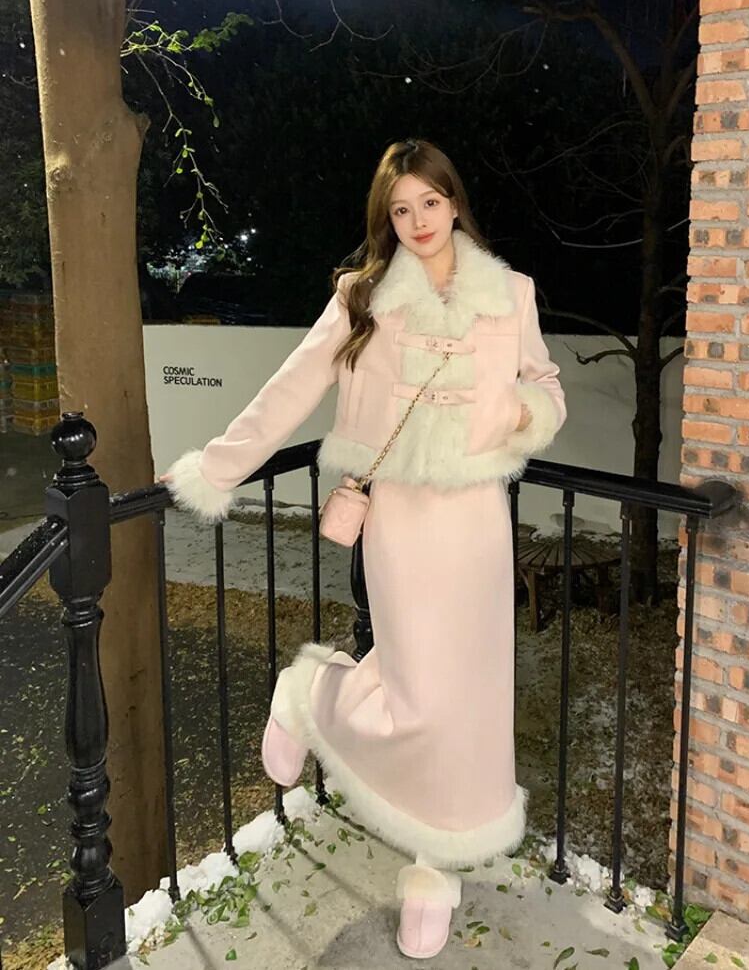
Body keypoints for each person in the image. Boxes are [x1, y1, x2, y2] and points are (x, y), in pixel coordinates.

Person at [160, 138, 567, 960]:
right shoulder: (364, 295)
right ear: (387, 217)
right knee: (415, 690)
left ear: (455, 202)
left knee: (473, 696)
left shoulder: (510, 292)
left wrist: (522, 412)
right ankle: (308, 692)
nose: (418, 220)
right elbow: (293, 385)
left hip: (479, 518)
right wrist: (220, 467)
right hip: (400, 518)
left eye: (430, 202)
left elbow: (546, 382)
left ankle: (434, 868)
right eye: (400, 208)